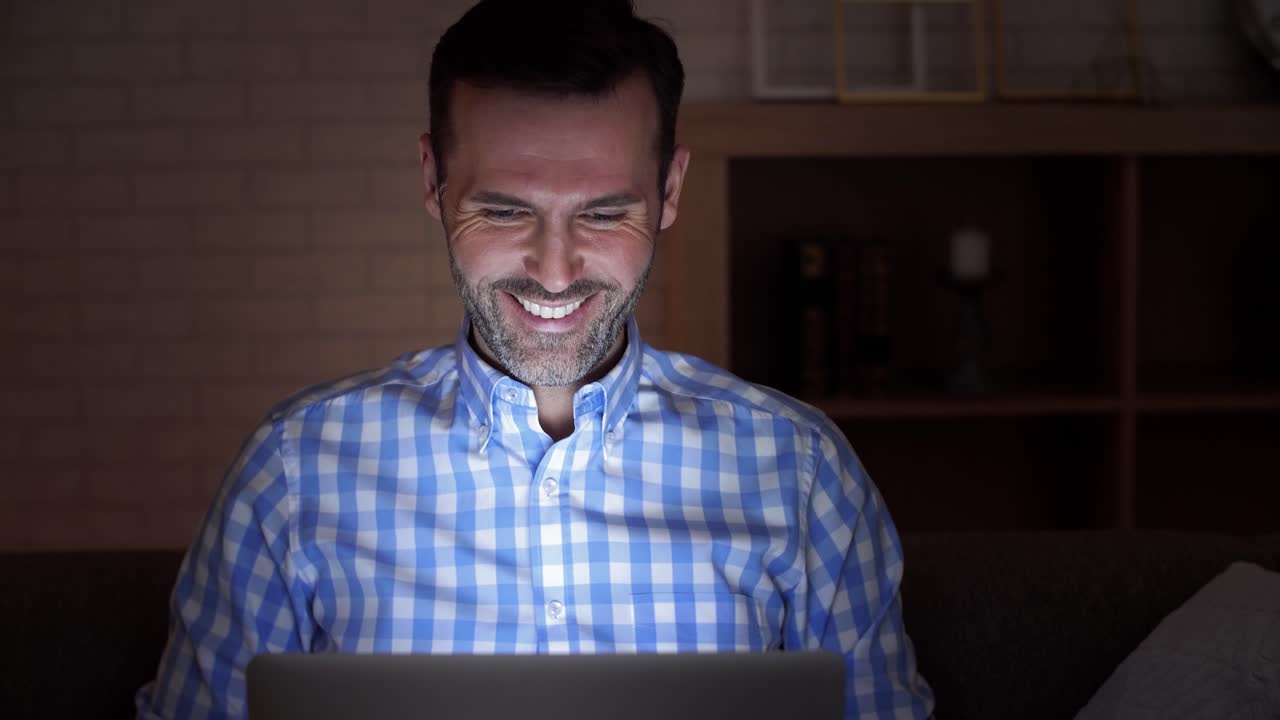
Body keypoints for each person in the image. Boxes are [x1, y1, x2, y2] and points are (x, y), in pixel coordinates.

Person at [135, 1, 934, 718]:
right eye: (506, 210)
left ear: (671, 190)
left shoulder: (799, 471)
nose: (555, 271)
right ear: (432, 181)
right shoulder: (294, 472)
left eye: (606, 212)